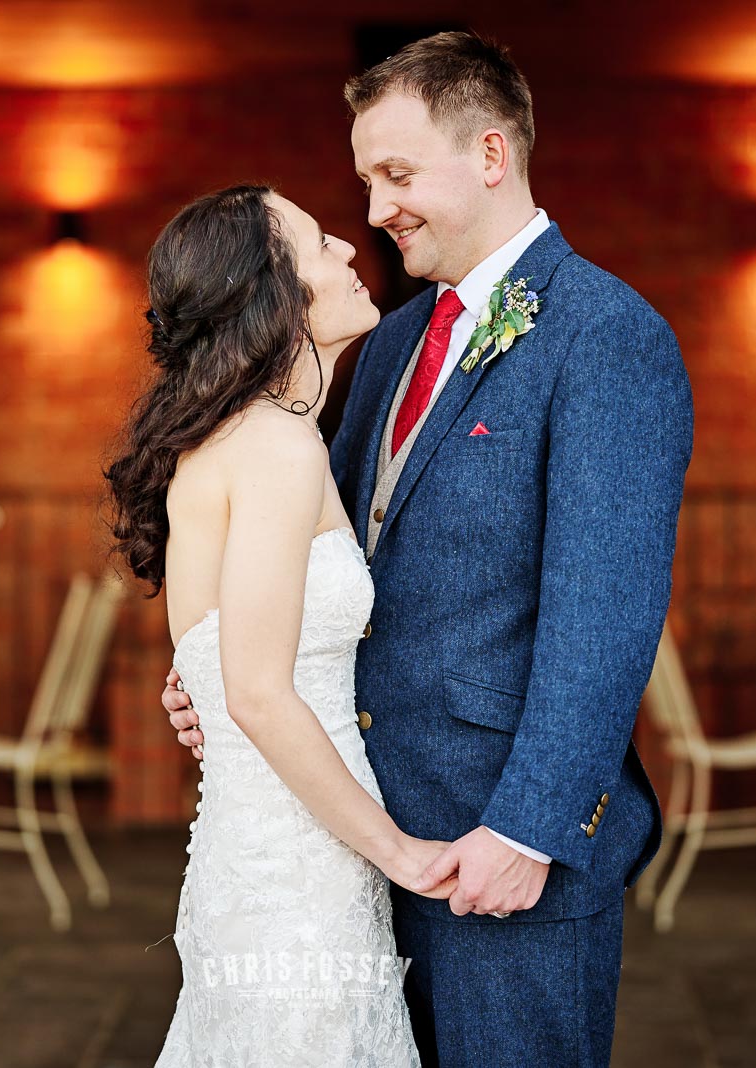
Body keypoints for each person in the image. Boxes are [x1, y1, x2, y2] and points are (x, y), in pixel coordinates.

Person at [161, 32, 694, 1067]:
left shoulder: (608, 335)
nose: (374, 211)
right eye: (365, 180)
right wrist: (221, 676)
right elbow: (332, 560)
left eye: (397, 175)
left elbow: (606, 613)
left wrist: (528, 829)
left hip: (502, 860)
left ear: (490, 155)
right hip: (358, 843)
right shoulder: (392, 342)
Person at [106, 184, 440, 1065]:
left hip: (260, 847)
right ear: (274, 297)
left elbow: (212, 667)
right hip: (299, 871)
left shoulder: (246, 437)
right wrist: (398, 853)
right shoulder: (276, 446)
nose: (350, 248)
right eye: (322, 243)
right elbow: (254, 690)